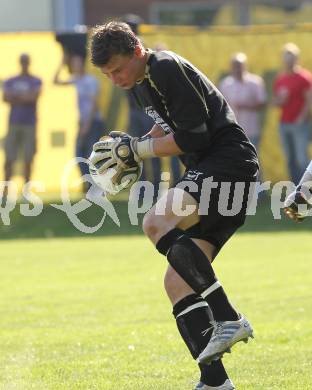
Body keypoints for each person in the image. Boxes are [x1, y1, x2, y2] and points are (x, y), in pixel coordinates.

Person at [89, 22, 259, 390]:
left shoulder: (164, 66)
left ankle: (229, 316)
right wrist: (134, 146)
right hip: (213, 170)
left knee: (156, 222)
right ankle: (215, 382)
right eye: (107, 74)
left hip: (228, 164)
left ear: (136, 50)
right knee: (177, 282)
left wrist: (137, 150)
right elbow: (162, 130)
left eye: (118, 69)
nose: (115, 79)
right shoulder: (139, 84)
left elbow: (193, 135)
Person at [53, 54, 105, 192]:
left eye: (77, 63)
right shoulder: (76, 80)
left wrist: (87, 124)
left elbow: (95, 104)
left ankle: (96, 186)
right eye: (73, 64)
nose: (74, 66)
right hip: (83, 122)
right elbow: (56, 81)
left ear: (82, 64)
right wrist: (61, 63)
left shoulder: (90, 81)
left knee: (91, 154)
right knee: (79, 154)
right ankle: (88, 185)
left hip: (93, 122)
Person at [273, 43, 312, 184]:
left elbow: (309, 100)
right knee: (290, 159)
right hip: (284, 123)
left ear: (296, 59)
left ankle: (307, 189)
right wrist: (280, 100)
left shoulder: (304, 77)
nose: (288, 61)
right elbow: (276, 102)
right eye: (286, 57)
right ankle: (296, 188)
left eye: (291, 58)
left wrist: (301, 118)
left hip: (299, 124)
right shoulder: (280, 79)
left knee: (302, 159)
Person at [2, 53, 42, 194]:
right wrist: (25, 97)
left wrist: (16, 97)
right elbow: (6, 97)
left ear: (28, 62)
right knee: (9, 157)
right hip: (14, 123)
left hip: (29, 124)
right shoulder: (11, 80)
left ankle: (26, 189)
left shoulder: (36, 80)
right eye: (23, 61)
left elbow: (33, 97)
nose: (24, 63)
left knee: (28, 157)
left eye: (26, 61)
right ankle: (6, 190)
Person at [219, 52, 267, 149]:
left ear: (245, 66)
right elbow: (220, 106)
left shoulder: (255, 82)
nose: (237, 68)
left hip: (251, 130)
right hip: (232, 131)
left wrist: (246, 106)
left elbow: (263, 104)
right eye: (235, 65)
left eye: (239, 65)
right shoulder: (225, 84)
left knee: (252, 160)